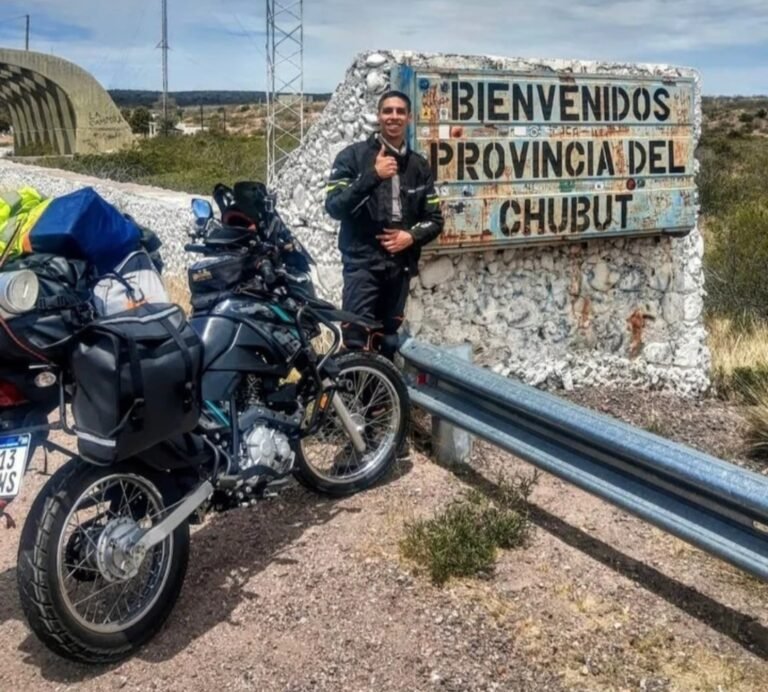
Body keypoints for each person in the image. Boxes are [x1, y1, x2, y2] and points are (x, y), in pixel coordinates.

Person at [325, 90, 444, 359]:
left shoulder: (418, 166)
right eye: (388, 111)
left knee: (388, 342)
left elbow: (435, 219)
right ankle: (352, 401)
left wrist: (410, 237)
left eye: (400, 112)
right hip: (361, 267)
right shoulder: (352, 158)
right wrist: (373, 176)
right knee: (356, 341)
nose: (394, 117)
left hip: (399, 268)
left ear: (409, 118)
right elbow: (334, 207)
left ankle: (381, 401)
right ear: (379, 116)